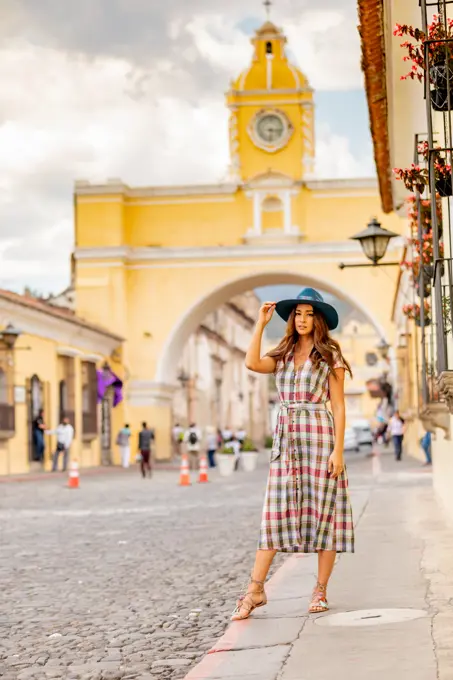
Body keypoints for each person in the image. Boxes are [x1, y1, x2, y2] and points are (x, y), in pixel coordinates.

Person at [231, 288, 354, 621]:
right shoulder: (282, 354)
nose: (302, 319)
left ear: (319, 320)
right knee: (275, 514)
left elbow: (339, 406)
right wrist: (260, 323)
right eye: (297, 314)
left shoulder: (330, 356)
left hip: (319, 437)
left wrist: (338, 451)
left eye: (309, 314)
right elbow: (252, 362)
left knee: (325, 515)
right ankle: (256, 589)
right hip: (287, 443)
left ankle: (320, 590)